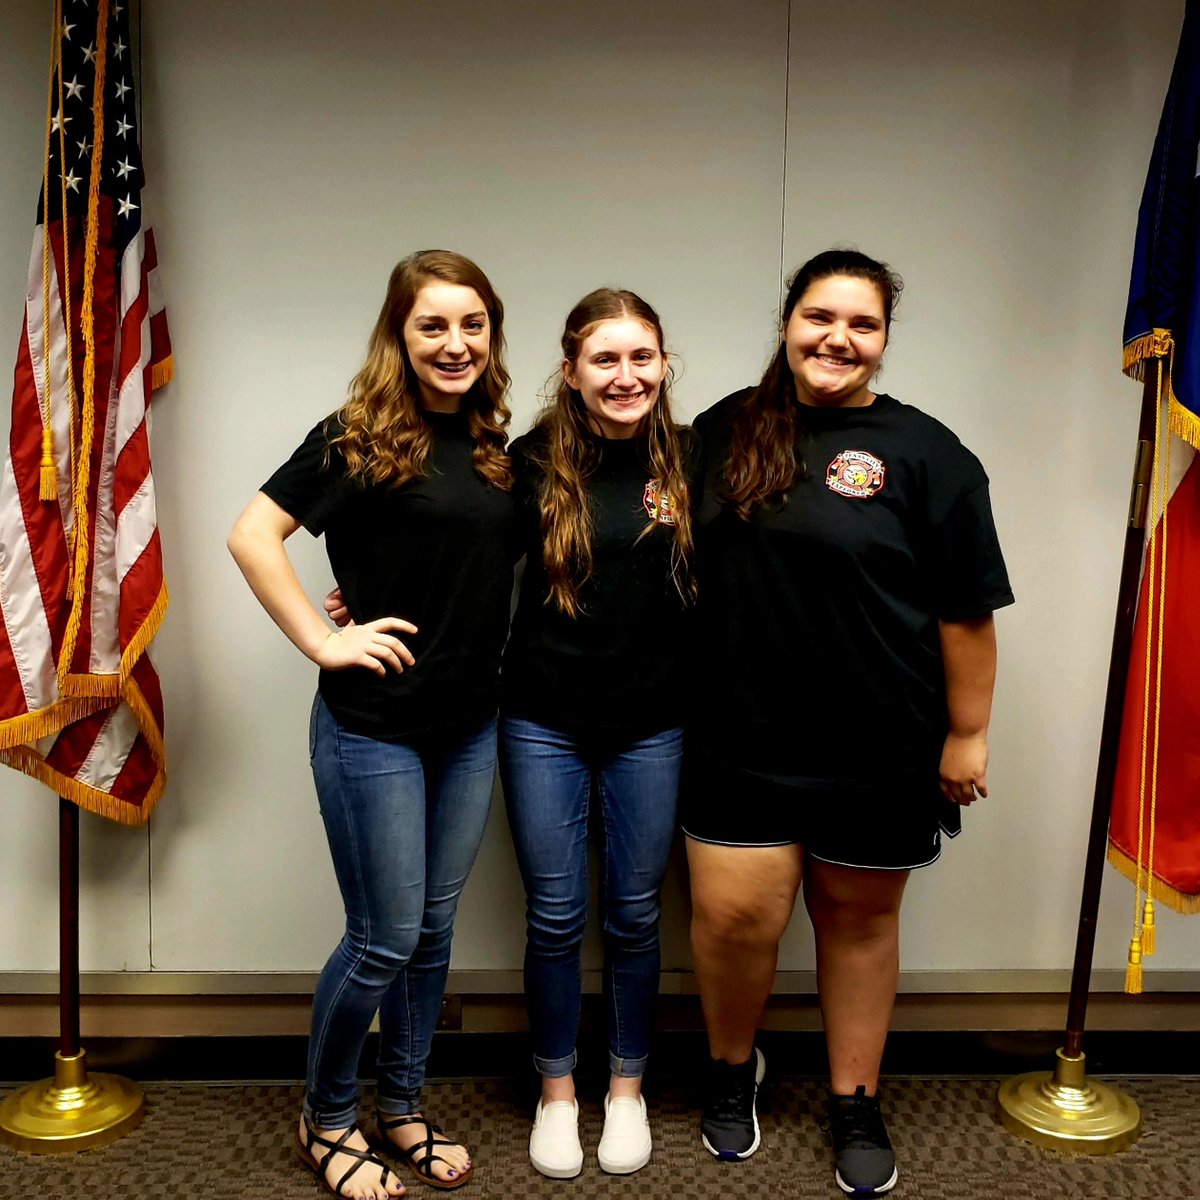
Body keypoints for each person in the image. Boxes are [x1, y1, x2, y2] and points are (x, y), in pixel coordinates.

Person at [683, 249, 1013, 1196]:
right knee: (735, 921)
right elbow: (626, 525)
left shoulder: (929, 454)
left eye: (862, 324)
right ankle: (731, 1069)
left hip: (880, 742)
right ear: (788, 322)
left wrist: (967, 733)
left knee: (860, 924)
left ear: (884, 340)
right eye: (820, 317)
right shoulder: (722, 430)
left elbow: (967, 612)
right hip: (739, 735)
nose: (838, 339)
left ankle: (854, 1097)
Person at [228, 250, 516, 1199]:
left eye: (472, 324)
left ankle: (402, 1106)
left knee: (431, 933)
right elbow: (252, 535)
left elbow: (463, 563)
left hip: (467, 727)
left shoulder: (491, 444)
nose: (454, 343)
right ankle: (327, 1117)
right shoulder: (355, 436)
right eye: (433, 325)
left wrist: (374, 581)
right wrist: (323, 639)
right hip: (373, 729)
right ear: (400, 333)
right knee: (382, 937)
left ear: (491, 334)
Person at [498, 289, 695, 1178]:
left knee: (635, 915)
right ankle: (556, 1094)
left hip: (652, 726)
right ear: (571, 372)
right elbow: (463, 554)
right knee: (554, 917)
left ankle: (625, 1090)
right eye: (605, 360)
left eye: (641, 357)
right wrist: (371, 591)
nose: (625, 376)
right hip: (543, 723)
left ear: (664, 364)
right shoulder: (530, 462)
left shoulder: (691, 459)